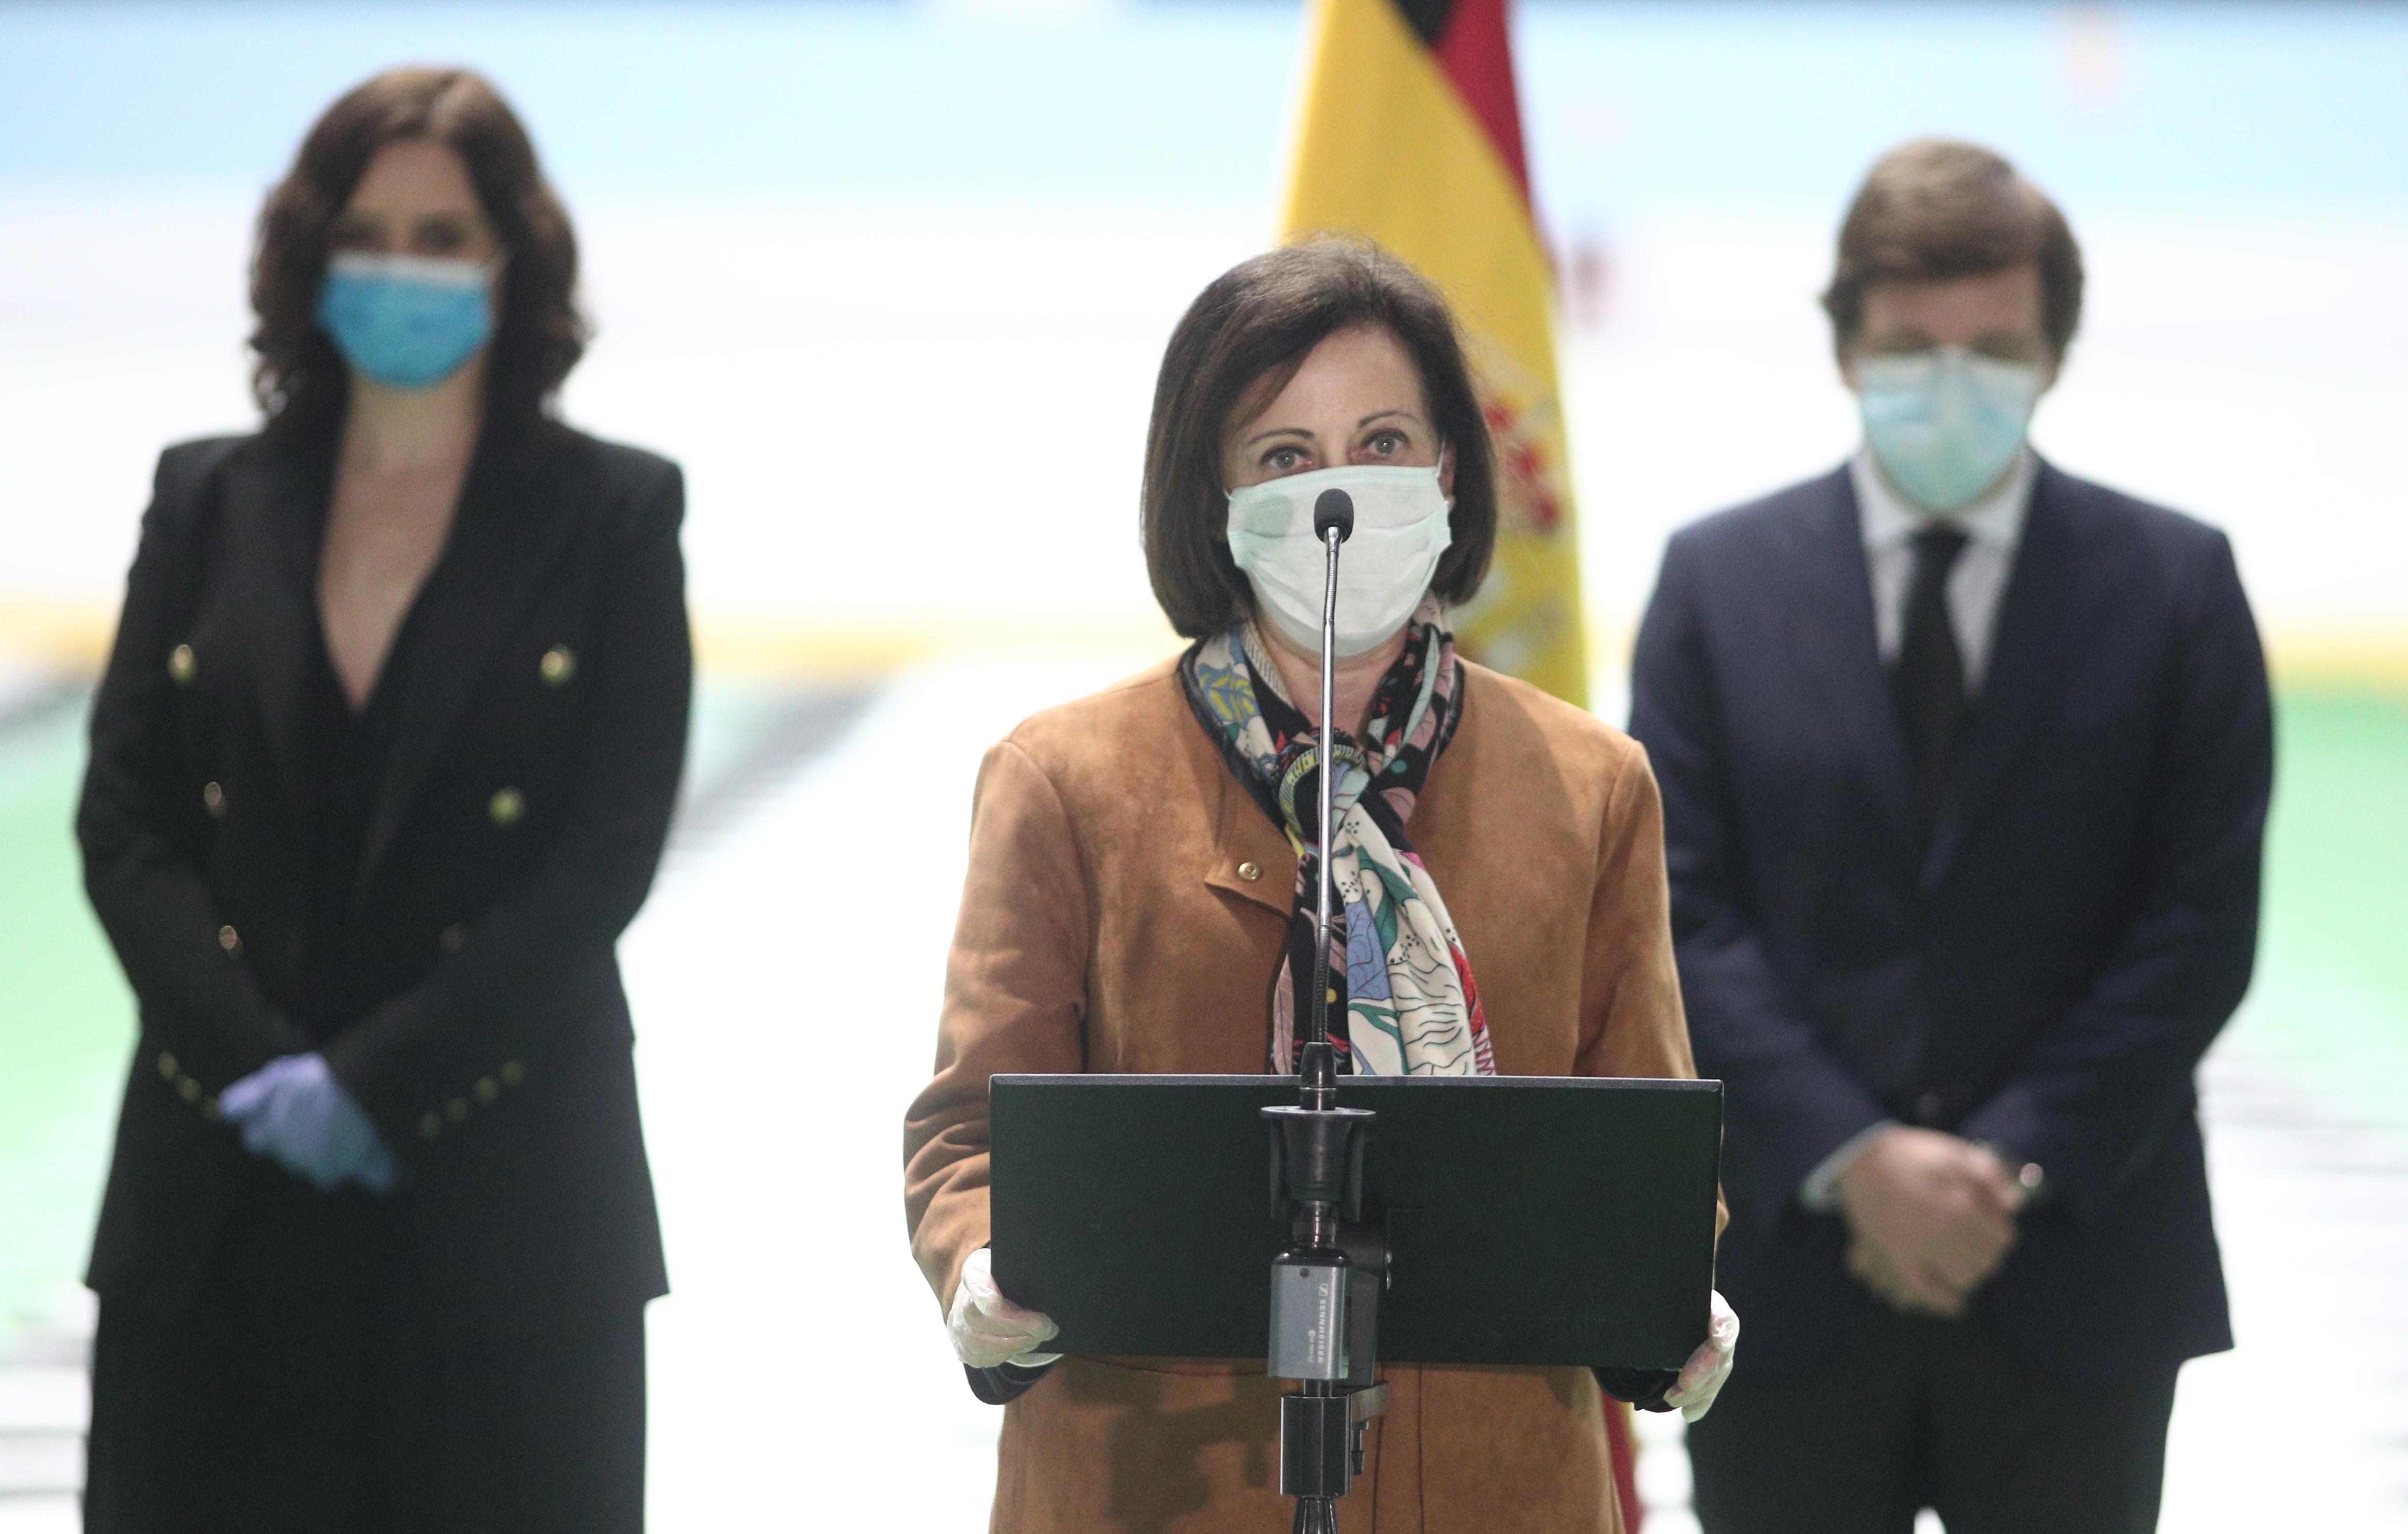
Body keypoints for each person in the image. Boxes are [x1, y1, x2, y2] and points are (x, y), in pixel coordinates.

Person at [903, 240, 1736, 1534]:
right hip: (1150, 1479)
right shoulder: (1060, 778)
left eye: (1384, 441)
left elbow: (1644, 1142)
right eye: (1285, 457)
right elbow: (965, 1136)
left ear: (1450, 471)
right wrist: (978, 1262)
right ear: (1213, 498)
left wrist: (1674, 1286)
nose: (1339, 492)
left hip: (1491, 1478)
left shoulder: (1591, 786)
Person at [76, 67, 688, 1532]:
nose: (401, 266)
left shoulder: (614, 515)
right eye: (368, 231)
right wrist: (253, 1067)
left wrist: (374, 1080)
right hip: (217, 1190)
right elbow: (124, 818)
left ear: (509, 260)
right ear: (308, 253)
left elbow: (603, 855)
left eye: (442, 234)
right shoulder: (207, 498)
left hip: (507, 1204)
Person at [1630, 139, 2272, 1534]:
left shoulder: (2175, 585)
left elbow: (2197, 921)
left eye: (1991, 347)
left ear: (2053, 354)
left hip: (2077, 1269)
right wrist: (1852, 1152)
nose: (1947, 380)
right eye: (1910, 344)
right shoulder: (1711, 582)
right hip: (1784, 1279)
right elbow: (1680, 912)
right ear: (1843, 343)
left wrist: (2013, 1158)